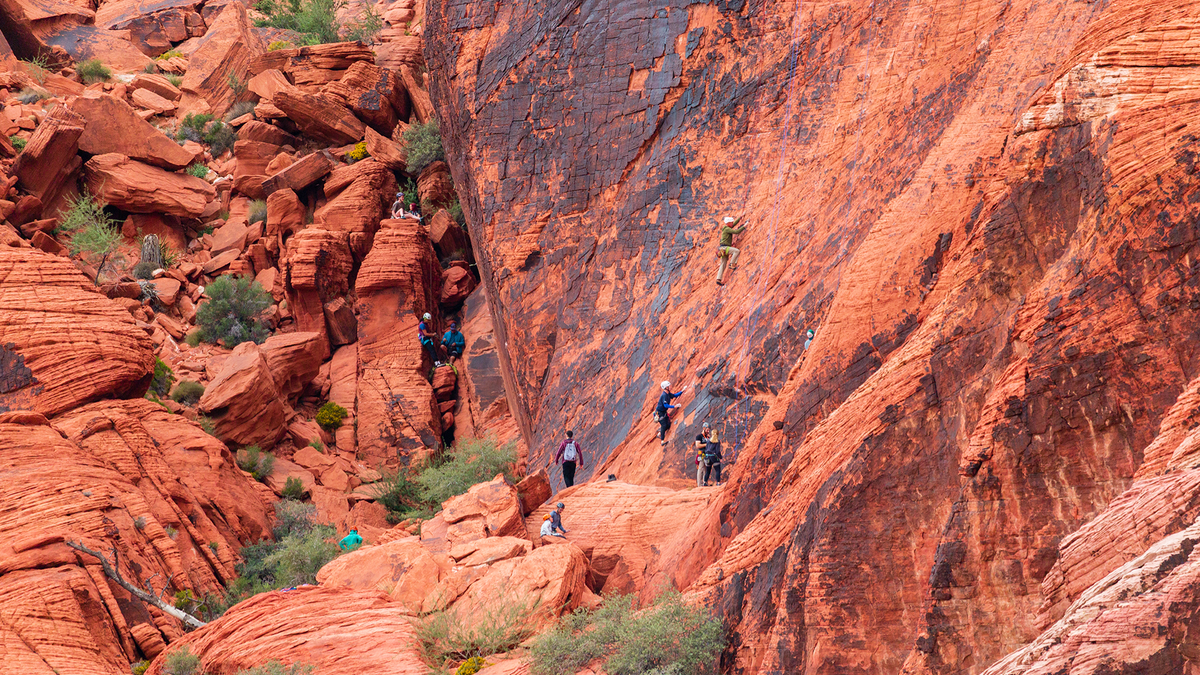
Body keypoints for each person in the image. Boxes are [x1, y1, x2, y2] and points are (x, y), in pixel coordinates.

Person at [715, 216, 748, 286]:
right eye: (731, 222)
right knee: (736, 251)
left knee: (723, 264)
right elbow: (736, 232)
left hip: (722, 249)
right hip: (725, 248)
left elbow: (733, 225)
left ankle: (718, 279)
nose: (732, 223)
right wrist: (744, 226)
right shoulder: (727, 229)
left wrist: (739, 218)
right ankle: (732, 264)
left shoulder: (726, 228)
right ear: (728, 223)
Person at [655, 381, 684, 445]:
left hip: (663, 412)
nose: (670, 387)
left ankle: (659, 434)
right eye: (669, 386)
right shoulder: (664, 395)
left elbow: (674, 395)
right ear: (666, 388)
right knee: (664, 425)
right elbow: (665, 405)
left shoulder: (668, 393)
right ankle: (662, 441)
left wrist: (682, 391)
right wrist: (674, 406)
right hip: (659, 413)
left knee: (668, 425)